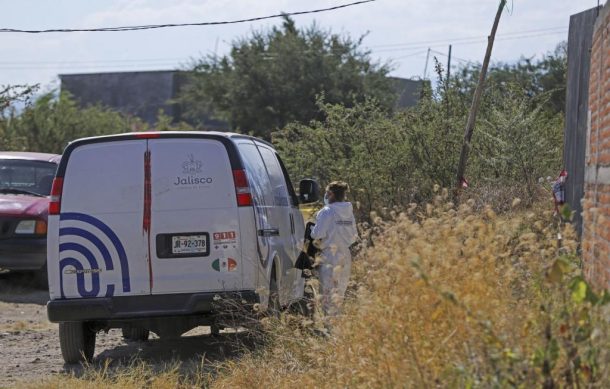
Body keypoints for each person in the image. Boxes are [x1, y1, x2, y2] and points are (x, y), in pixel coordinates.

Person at [310, 181, 358, 317]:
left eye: (327, 193)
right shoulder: (349, 211)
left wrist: (313, 229)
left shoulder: (327, 211)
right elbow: (354, 236)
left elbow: (317, 234)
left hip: (330, 256)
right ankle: (337, 326)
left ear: (331, 194)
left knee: (328, 293)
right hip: (345, 256)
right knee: (340, 293)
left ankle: (329, 329)